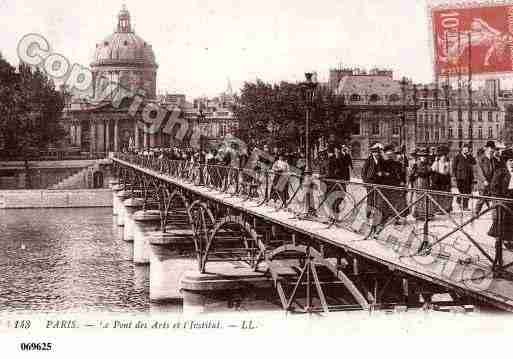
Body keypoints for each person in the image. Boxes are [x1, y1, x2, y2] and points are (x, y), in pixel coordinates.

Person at [488, 149, 513, 250]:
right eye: (511, 160)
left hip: (511, 198)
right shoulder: (500, 171)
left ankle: (509, 240)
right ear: (506, 161)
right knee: (501, 221)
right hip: (502, 199)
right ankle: (499, 243)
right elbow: (493, 187)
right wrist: (499, 199)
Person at [475, 141, 501, 216]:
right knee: (482, 199)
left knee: (494, 198)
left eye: (493, 148)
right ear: (486, 149)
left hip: (492, 183)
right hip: (483, 184)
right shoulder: (481, 159)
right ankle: (476, 212)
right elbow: (479, 171)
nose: (492, 150)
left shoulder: (494, 160)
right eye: (490, 148)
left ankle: (495, 214)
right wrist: (484, 180)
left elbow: (496, 171)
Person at [409, 148, 434, 220]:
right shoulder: (415, 165)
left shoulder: (427, 165)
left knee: (426, 197)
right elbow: (412, 175)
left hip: (425, 182)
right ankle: (418, 214)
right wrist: (414, 176)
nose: (423, 158)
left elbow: (429, 172)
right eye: (421, 156)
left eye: (424, 156)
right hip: (418, 182)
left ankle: (426, 214)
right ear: (419, 157)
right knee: (418, 197)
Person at [362, 144, 383, 220]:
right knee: (370, 198)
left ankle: (376, 213)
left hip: (378, 182)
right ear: (372, 153)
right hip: (370, 182)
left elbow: (382, 169)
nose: (376, 154)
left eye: (377, 152)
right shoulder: (369, 160)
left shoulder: (381, 159)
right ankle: (368, 214)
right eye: (374, 152)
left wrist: (381, 173)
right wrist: (365, 181)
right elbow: (363, 171)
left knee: (377, 198)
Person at [453, 143, 476, 211]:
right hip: (460, 178)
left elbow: (474, 162)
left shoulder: (469, 157)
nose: (466, 150)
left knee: (468, 192)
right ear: (462, 149)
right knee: (462, 191)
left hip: (468, 178)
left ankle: (462, 204)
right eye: (465, 148)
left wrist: (470, 155)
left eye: (467, 149)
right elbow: (454, 167)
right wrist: (454, 176)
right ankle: (462, 204)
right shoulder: (457, 157)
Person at [431, 145, 452, 214]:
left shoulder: (448, 163)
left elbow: (449, 172)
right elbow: (433, 170)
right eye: (442, 156)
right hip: (439, 181)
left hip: (446, 180)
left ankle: (446, 208)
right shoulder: (436, 163)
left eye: (444, 156)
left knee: (446, 195)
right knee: (439, 195)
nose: (443, 157)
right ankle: (438, 209)